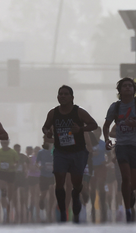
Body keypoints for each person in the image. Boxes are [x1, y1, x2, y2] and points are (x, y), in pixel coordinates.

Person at [42, 85, 99, 223]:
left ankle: (76, 195)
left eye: (66, 94)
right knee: (59, 181)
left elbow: (94, 125)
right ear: (57, 97)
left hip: (78, 152)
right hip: (60, 152)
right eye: (60, 94)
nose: (62, 96)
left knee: (77, 183)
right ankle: (63, 211)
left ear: (72, 97)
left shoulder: (79, 112)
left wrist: (80, 129)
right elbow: (45, 127)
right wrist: (47, 132)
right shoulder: (53, 113)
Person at [103, 77, 136, 223]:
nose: (127, 88)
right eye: (124, 86)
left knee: (135, 183)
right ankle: (128, 210)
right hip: (122, 146)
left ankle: (131, 193)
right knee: (125, 177)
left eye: (130, 86)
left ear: (134, 89)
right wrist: (107, 140)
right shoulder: (115, 107)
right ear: (120, 90)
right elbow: (106, 126)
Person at [0, 139, 18, 223]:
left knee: (10, 194)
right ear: (1, 143)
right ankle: (4, 210)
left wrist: (13, 165)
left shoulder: (13, 152)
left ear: (8, 143)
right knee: (3, 191)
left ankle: (8, 207)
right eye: (3, 143)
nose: (4, 144)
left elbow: (17, 162)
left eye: (6, 143)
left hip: (11, 173)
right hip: (2, 173)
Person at [36, 142, 55, 222]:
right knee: (43, 194)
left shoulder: (55, 151)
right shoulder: (41, 152)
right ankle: (42, 207)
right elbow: (36, 163)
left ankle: (50, 211)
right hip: (43, 175)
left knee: (52, 192)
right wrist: (39, 166)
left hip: (53, 175)